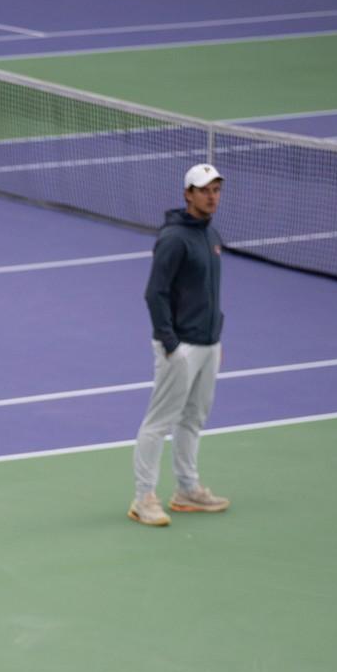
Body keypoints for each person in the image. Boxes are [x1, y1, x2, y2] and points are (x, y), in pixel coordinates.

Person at [128, 163, 232, 526]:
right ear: (188, 194)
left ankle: (187, 489)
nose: (212, 196)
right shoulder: (174, 238)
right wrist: (170, 343)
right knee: (159, 422)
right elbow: (154, 293)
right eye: (204, 190)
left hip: (208, 343)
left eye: (216, 190)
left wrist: (214, 335)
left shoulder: (211, 235)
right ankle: (144, 498)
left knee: (193, 419)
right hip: (180, 347)